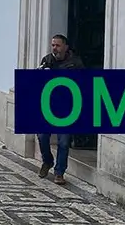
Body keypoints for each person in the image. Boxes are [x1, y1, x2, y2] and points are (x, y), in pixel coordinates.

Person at [36, 34, 84, 185]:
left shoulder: (75, 63)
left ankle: (59, 172)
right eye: (53, 45)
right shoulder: (47, 60)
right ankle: (47, 161)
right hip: (49, 106)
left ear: (65, 47)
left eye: (57, 45)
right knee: (43, 136)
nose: (54, 48)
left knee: (63, 142)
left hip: (67, 108)